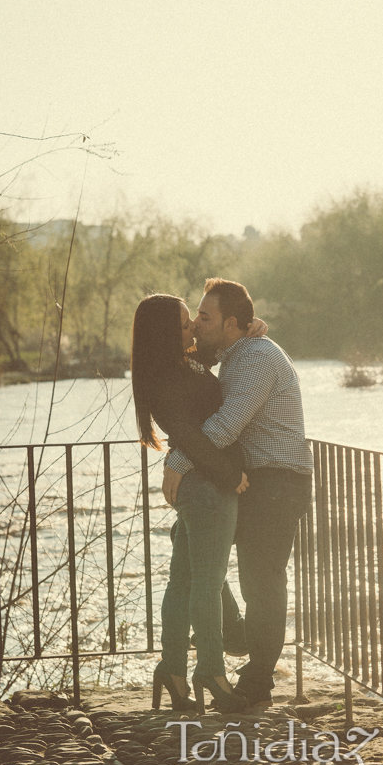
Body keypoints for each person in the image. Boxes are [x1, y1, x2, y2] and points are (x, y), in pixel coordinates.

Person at [163, 278, 314, 708]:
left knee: (261, 582)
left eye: (204, 317)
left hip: (276, 482)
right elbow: (180, 355)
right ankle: (235, 634)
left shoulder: (256, 357)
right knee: (186, 542)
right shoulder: (235, 350)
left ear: (230, 324)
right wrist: (249, 324)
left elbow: (227, 424)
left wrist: (178, 461)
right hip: (251, 479)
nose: (195, 323)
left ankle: (256, 683)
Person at [131, 293, 261, 714]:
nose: (193, 328)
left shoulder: (180, 364)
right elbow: (188, 437)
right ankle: (211, 672)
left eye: (194, 320)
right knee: (207, 583)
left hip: (200, 486)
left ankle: (171, 668)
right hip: (207, 488)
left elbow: (223, 344)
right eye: (187, 322)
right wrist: (231, 476)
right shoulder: (166, 377)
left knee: (184, 581)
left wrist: (252, 329)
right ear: (167, 333)